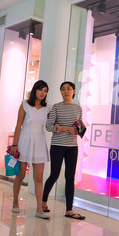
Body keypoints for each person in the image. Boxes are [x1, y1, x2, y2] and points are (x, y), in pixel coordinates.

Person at [42, 81, 87, 220]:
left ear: (74, 91)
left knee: (70, 177)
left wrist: (73, 129)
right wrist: (64, 128)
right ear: (60, 92)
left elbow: (80, 129)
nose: (65, 91)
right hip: (57, 145)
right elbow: (49, 127)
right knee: (54, 175)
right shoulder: (56, 107)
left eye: (68, 89)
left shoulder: (78, 108)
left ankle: (69, 209)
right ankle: (43, 202)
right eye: (63, 89)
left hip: (72, 147)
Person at [11, 80, 51, 219]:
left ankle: (39, 209)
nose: (43, 93)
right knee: (21, 175)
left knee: (38, 177)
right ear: (35, 90)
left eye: (45, 91)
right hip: (25, 141)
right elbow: (18, 126)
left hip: (39, 142)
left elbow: (48, 127)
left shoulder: (48, 108)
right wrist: (14, 145)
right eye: (41, 89)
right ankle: (15, 201)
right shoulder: (25, 105)